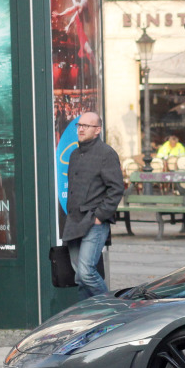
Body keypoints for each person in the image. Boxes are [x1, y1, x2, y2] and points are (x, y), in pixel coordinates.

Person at [62, 113, 124, 298]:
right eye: (79, 125)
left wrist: (100, 216)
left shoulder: (106, 154)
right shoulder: (74, 154)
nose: (81, 129)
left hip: (94, 221)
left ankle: (113, 309)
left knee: (86, 272)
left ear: (97, 130)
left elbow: (116, 188)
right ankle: (88, 318)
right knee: (80, 276)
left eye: (86, 126)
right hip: (74, 222)